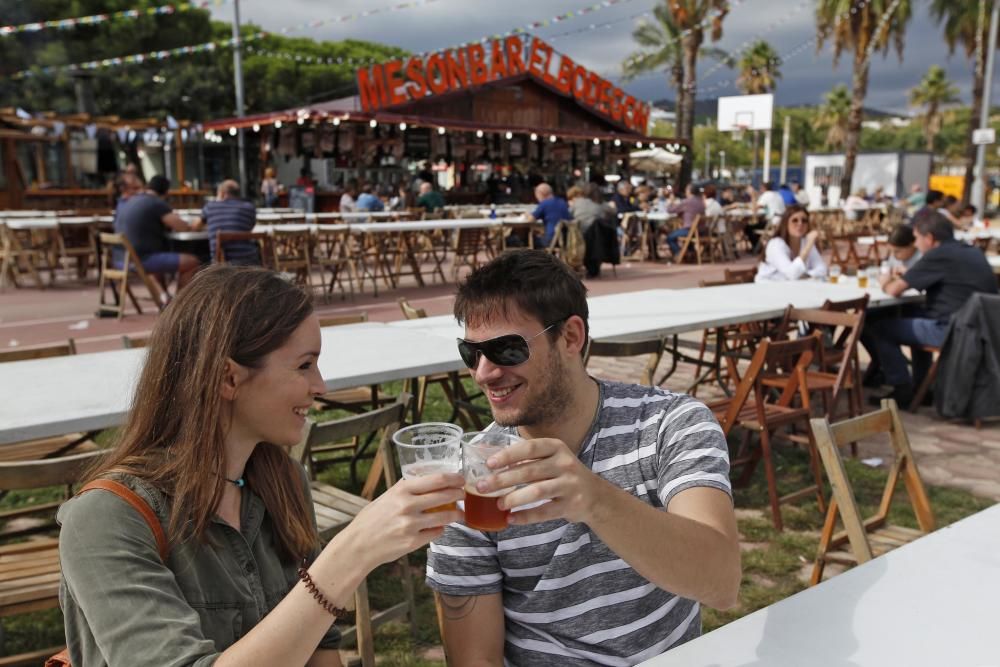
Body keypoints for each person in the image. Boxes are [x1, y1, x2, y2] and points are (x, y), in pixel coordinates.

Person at [57, 266, 465, 666]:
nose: (320, 385)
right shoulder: (107, 519)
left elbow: (320, 649)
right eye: (304, 365)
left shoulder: (281, 481)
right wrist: (350, 555)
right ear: (227, 378)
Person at [426, 250, 740, 665]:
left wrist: (594, 500)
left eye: (505, 349)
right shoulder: (474, 477)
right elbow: (474, 660)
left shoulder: (670, 423)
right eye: (471, 353)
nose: (483, 373)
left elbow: (722, 583)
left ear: (571, 337)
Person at [864, 210, 999, 405]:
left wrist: (884, 281)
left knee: (879, 326)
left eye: (917, 238)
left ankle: (901, 389)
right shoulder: (972, 251)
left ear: (929, 238)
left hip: (952, 331)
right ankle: (922, 387)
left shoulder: (937, 255)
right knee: (914, 314)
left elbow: (894, 290)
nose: (915, 243)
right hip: (980, 330)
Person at [115, 175, 200, 289]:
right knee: (192, 262)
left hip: (120, 259)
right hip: (139, 261)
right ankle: (179, 304)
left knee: (160, 253)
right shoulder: (155, 202)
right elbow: (182, 227)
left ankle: (164, 297)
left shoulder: (130, 200)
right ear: (165, 193)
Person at [195, 179, 259, 265]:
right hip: (250, 262)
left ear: (222, 193)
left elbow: (195, 226)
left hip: (223, 264)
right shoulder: (249, 208)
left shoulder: (210, 206)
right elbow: (249, 228)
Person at [755, 205, 827, 282]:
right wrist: (807, 247)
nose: (800, 224)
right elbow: (792, 274)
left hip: (792, 288)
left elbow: (822, 269)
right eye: (795, 220)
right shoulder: (776, 244)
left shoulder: (805, 241)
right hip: (768, 288)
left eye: (804, 220)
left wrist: (804, 275)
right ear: (786, 223)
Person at [666, 183, 706, 260]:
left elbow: (670, 210)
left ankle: (680, 254)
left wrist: (671, 202)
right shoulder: (701, 202)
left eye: (687, 189)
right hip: (701, 230)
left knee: (670, 237)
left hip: (691, 230)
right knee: (686, 237)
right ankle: (690, 253)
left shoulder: (687, 202)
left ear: (690, 191)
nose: (685, 191)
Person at [527, 182, 570, 248]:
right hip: (566, 239)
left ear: (541, 194)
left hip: (552, 240)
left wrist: (526, 215)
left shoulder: (544, 203)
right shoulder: (562, 202)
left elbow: (530, 220)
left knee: (532, 237)